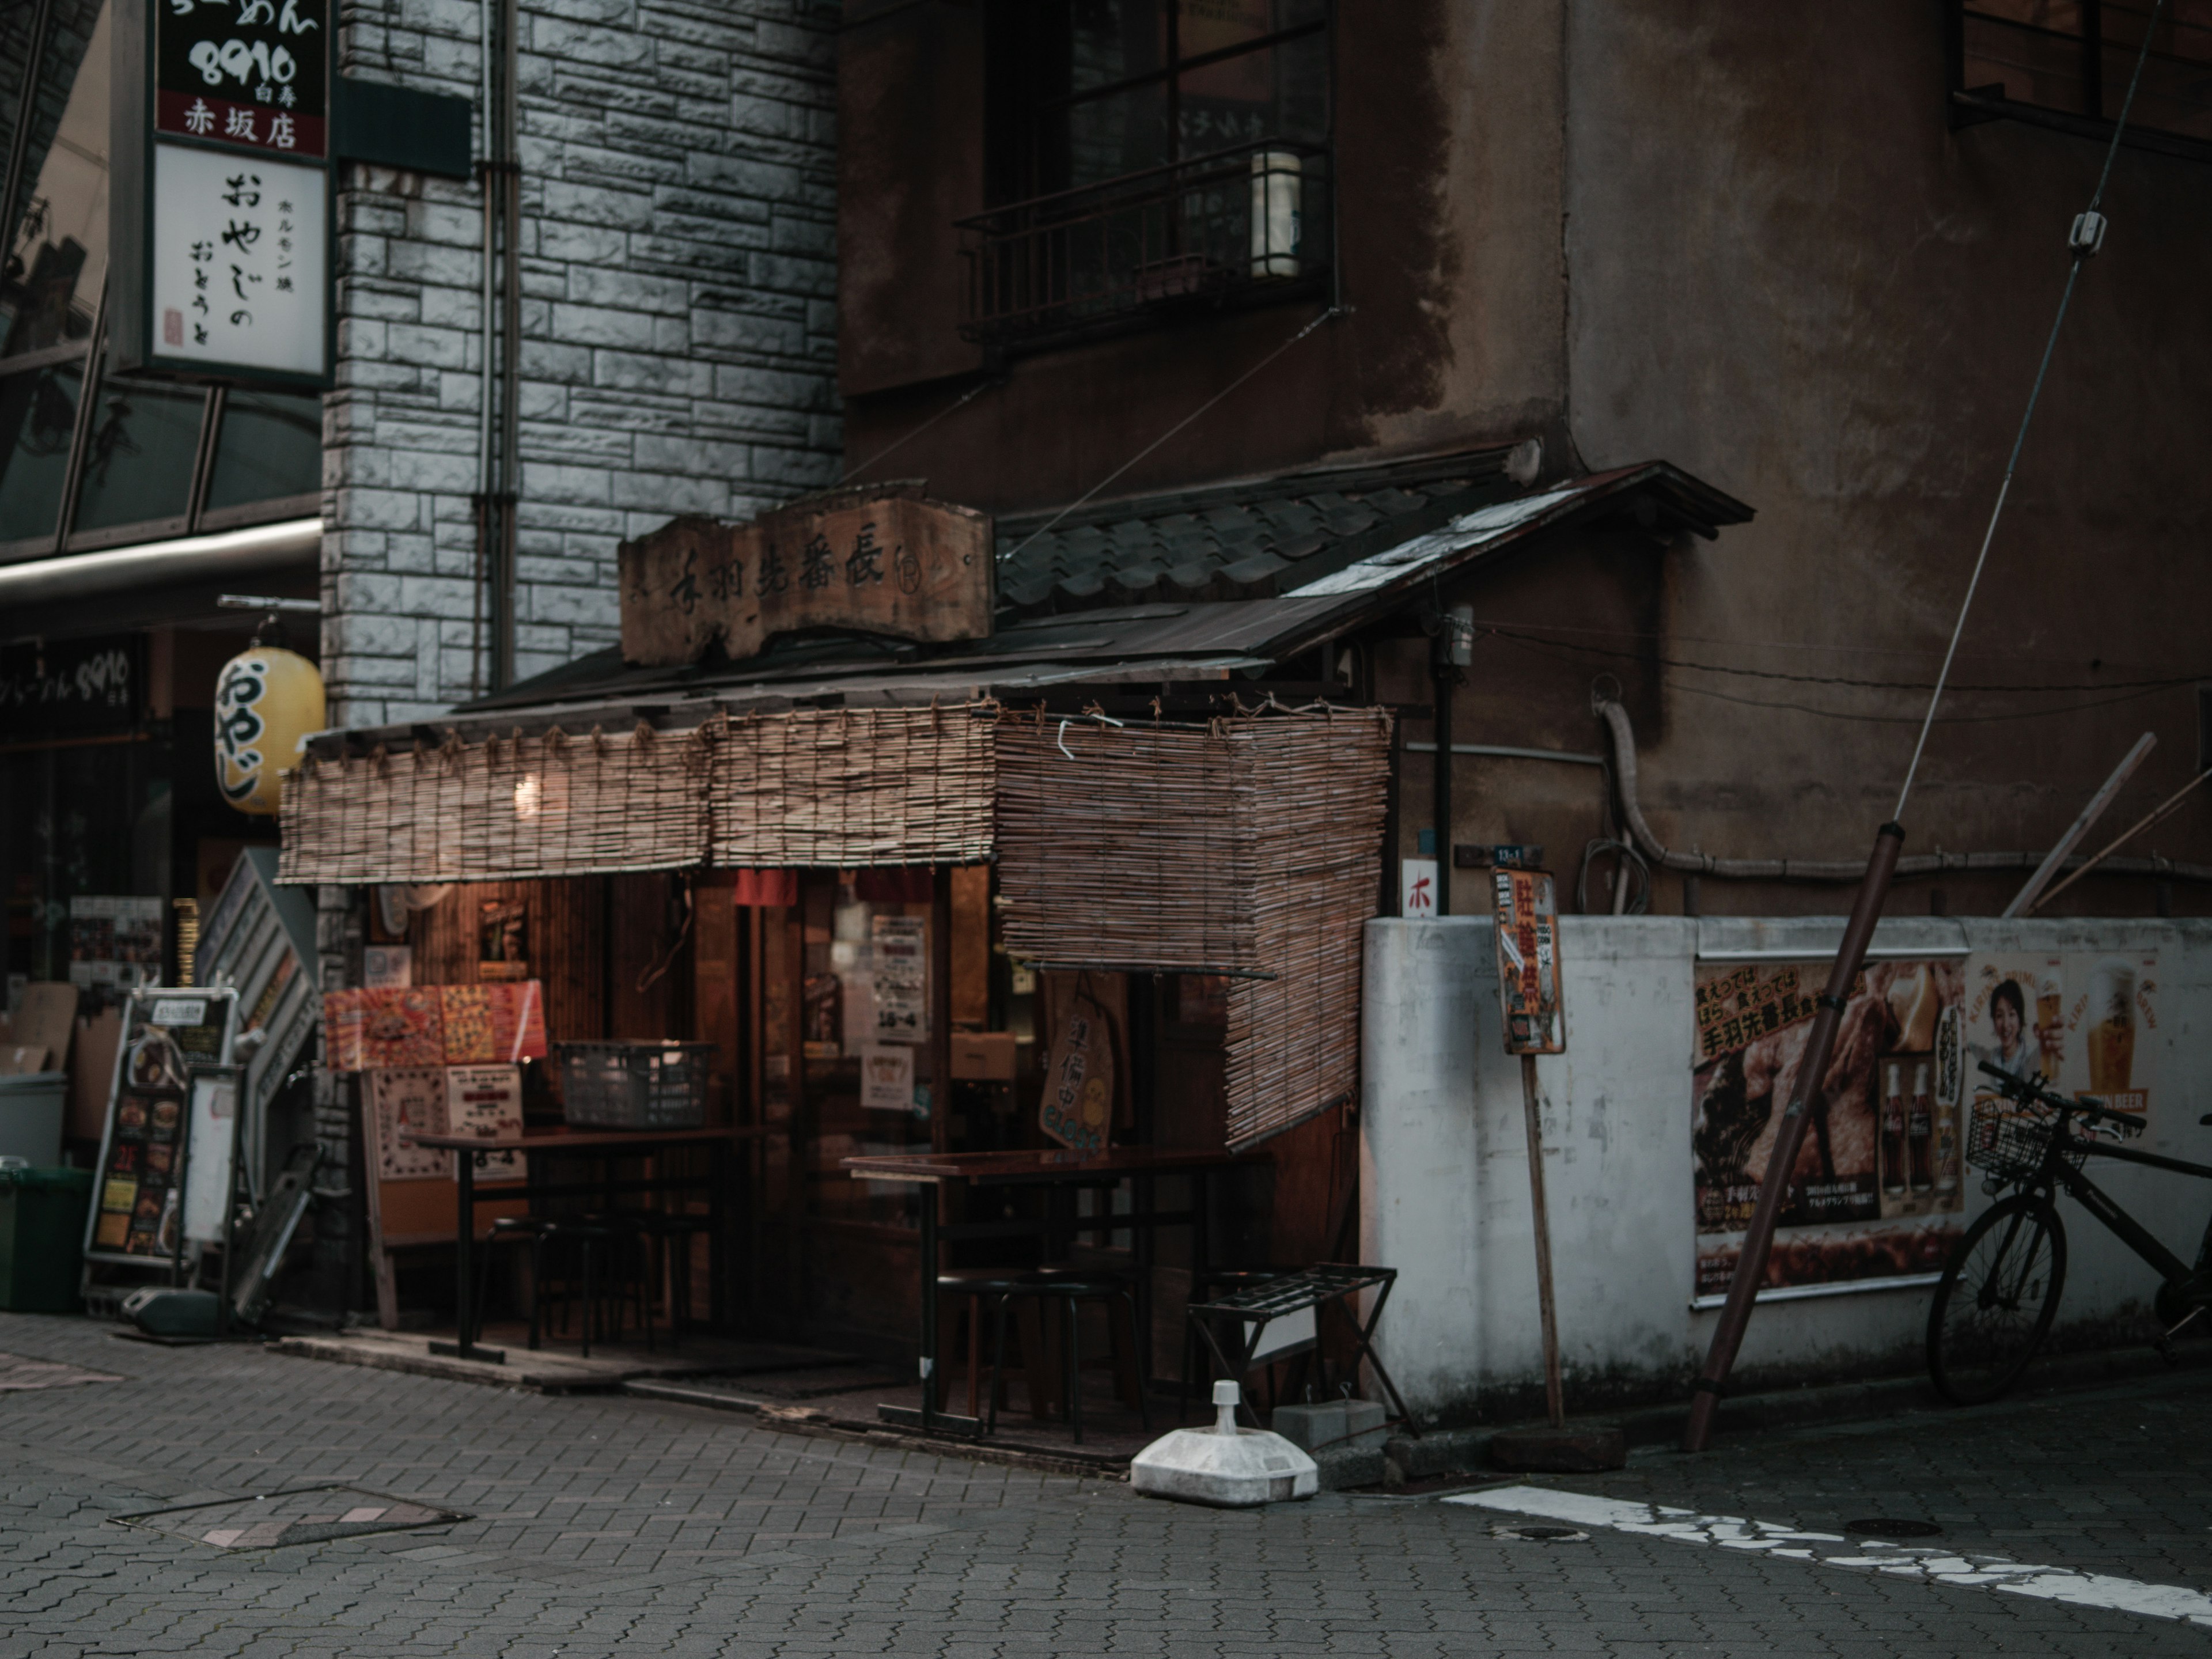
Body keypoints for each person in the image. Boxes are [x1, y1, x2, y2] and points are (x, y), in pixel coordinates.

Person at [1980, 979, 2040, 1081]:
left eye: (2012, 1014)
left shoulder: (2031, 1057)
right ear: (1994, 1020)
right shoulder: (1991, 1058)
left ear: (2020, 1020)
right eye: (1999, 1016)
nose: (2005, 1024)